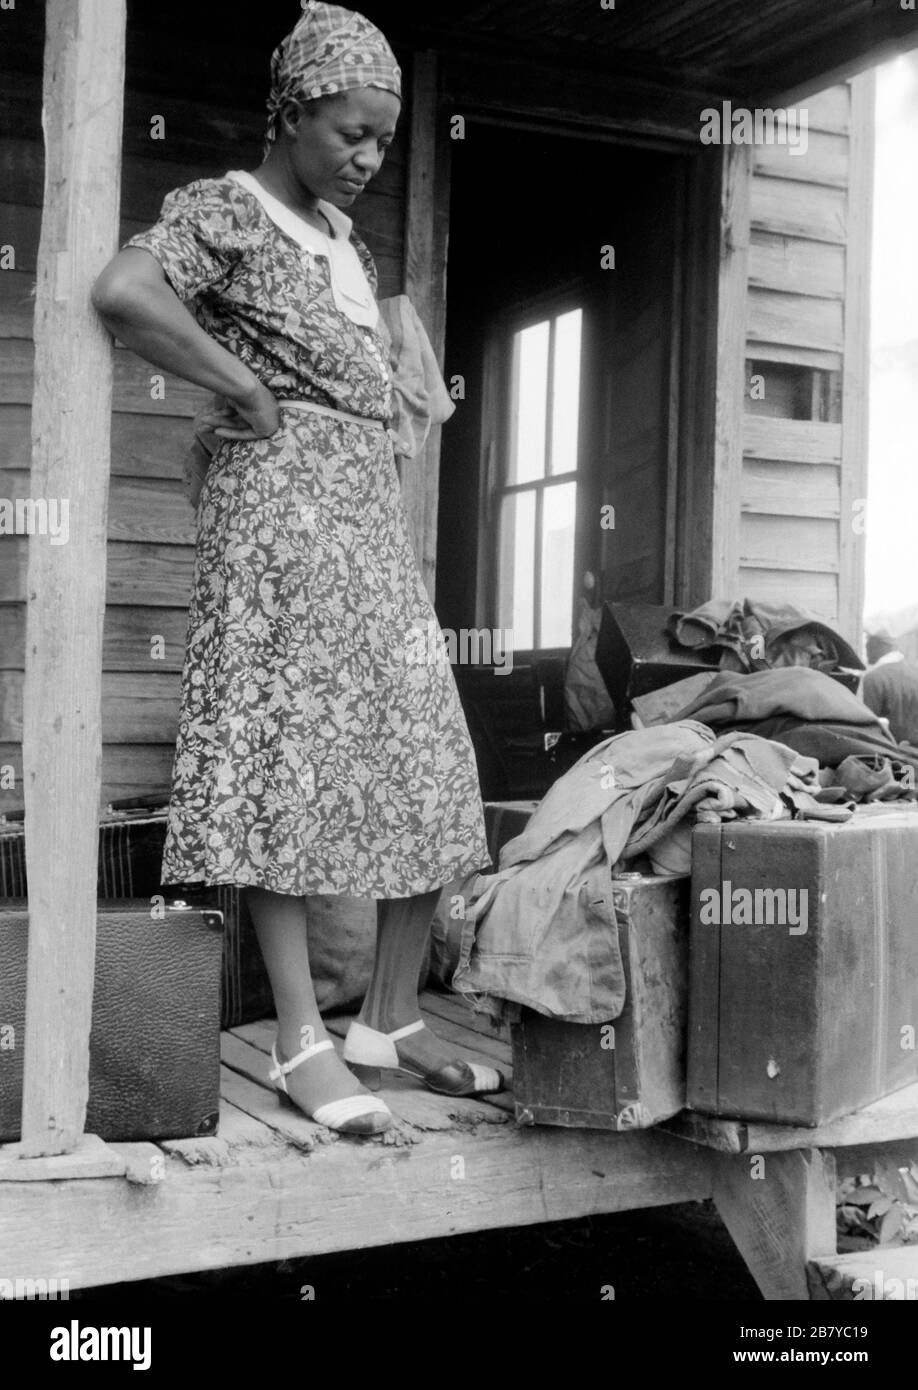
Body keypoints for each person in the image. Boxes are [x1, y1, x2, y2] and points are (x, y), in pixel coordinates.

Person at [91, 1, 501, 1136]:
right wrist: (249, 388)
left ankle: (389, 1020)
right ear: (291, 110)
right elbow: (126, 293)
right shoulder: (233, 207)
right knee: (285, 765)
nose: (367, 158)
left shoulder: (344, 237)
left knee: (428, 750)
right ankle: (297, 1040)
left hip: (364, 519)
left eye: (382, 138)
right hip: (278, 521)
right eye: (349, 132)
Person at [860, 628, 918, 747]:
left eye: (868, 647)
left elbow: (868, 725)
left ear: (876, 646)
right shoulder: (914, 674)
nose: (867, 653)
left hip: (889, 754)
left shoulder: (874, 678)